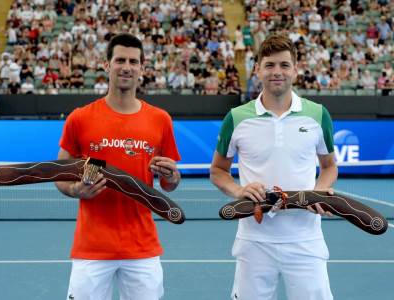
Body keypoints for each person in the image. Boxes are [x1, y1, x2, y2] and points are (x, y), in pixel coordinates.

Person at [210, 34, 337, 300]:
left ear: (295, 69)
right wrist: (238, 190)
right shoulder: (236, 118)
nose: (277, 72)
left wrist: (320, 191)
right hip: (254, 242)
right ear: (257, 69)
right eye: (269, 65)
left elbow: (328, 166)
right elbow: (218, 170)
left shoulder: (318, 114)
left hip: (306, 240)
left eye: (284, 65)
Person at [55, 33, 181, 300]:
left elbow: (169, 183)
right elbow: (60, 174)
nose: (126, 66)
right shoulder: (80, 118)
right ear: (106, 65)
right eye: (120, 59)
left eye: (133, 61)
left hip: (142, 249)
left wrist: (172, 176)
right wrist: (77, 189)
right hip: (92, 249)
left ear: (142, 68)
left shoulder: (160, 120)